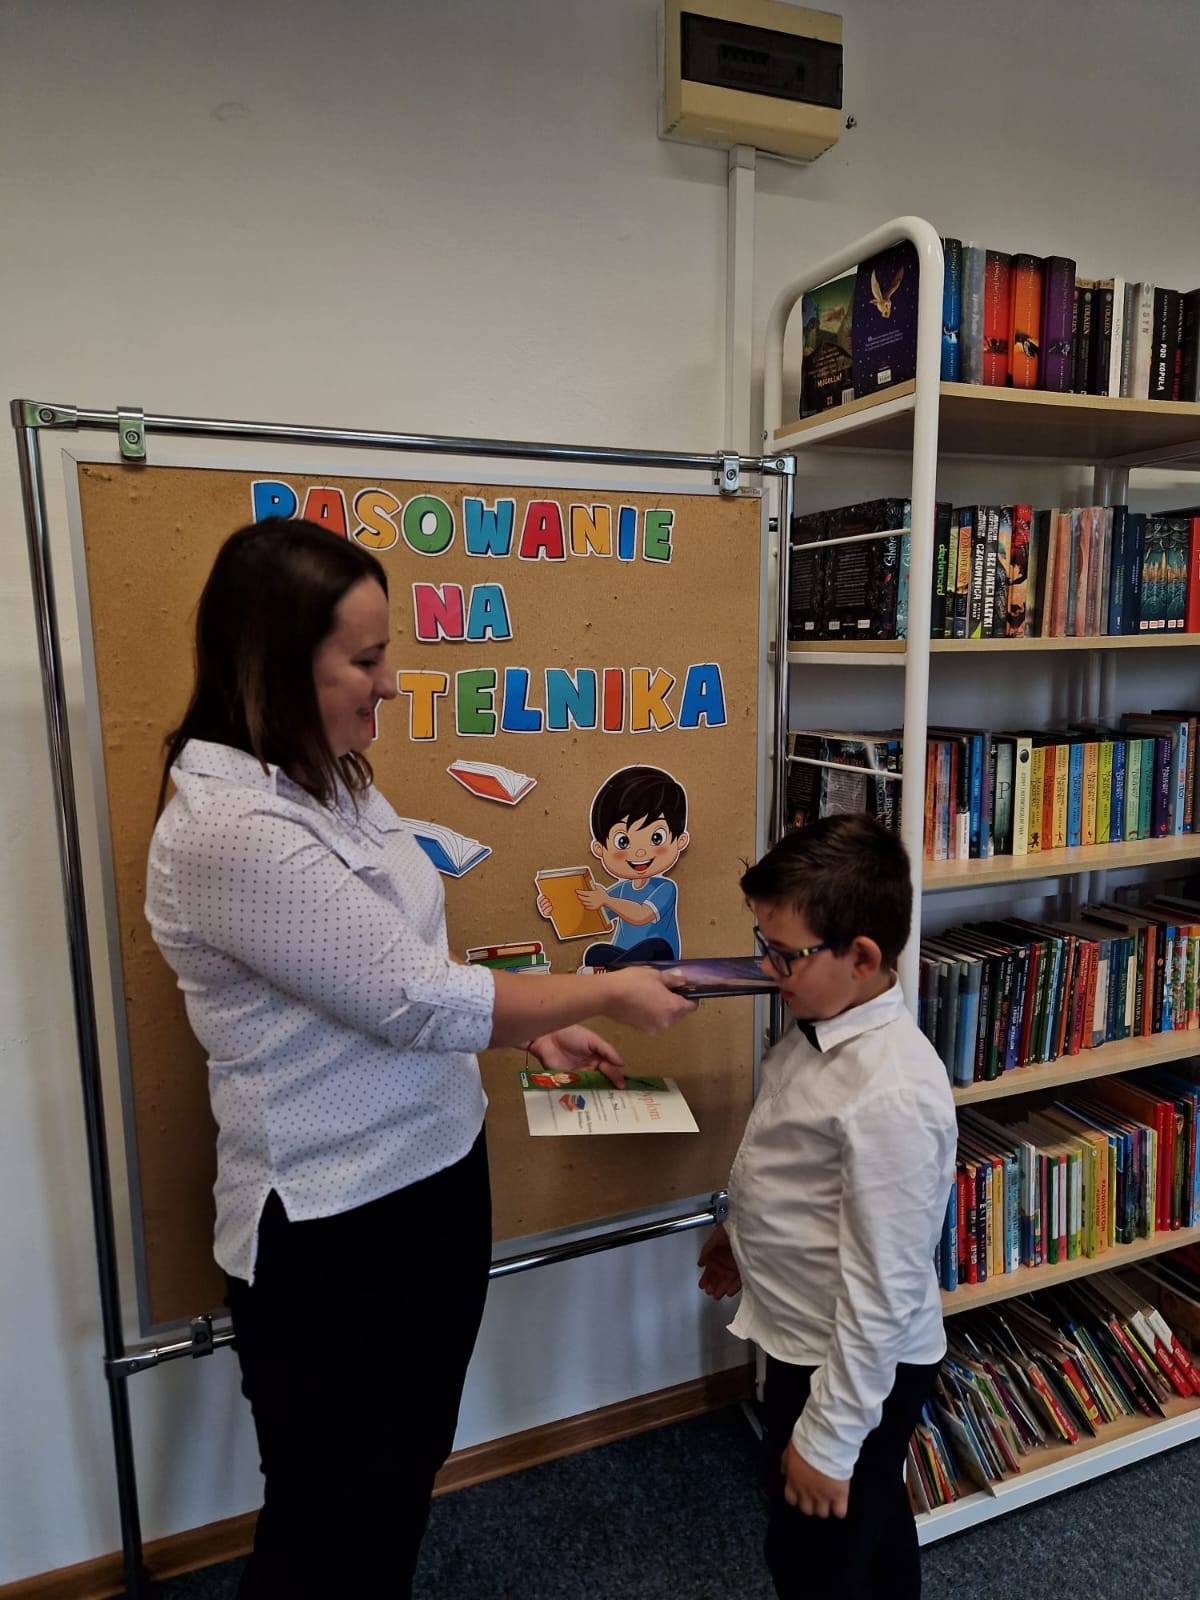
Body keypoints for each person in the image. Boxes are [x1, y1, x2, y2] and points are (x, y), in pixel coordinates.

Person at [144, 518, 696, 1599]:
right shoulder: (230, 828)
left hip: (436, 1170)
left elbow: (396, 952)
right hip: (337, 1220)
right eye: (363, 660)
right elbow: (413, 997)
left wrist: (529, 1024)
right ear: (276, 664)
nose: (389, 684)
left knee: (398, 1476)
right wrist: (604, 988)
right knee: (333, 1513)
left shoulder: (333, 779)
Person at [697, 815, 956, 1600]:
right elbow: (796, 1168)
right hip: (808, 1335)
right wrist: (739, 1237)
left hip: (853, 1362)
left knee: (813, 1558)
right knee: (870, 1528)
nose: (767, 967)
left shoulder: (892, 1096)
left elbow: (884, 1291)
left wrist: (831, 1439)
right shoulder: (820, 1022)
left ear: (863, 958)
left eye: (785, 953)